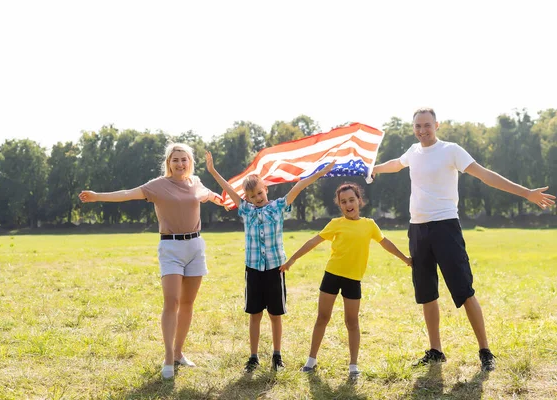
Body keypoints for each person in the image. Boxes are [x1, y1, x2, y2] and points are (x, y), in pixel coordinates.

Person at [372, 107, 555, 372]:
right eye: (417, 126)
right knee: (426, 293)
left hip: (445, 227)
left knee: (463, 290)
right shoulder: (413, 151)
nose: (422, 130)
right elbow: (397, 164)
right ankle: (436, 350)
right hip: (417, 229)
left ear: (437, 125)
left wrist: (525, 192)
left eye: (427, 125)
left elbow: (485, 175)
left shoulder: (451, 150)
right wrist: (376, 167)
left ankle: (485, 351)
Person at [79, 143, 225, 379]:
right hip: (171, 248)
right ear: (168, 163)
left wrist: (219, 199)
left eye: (184, 159)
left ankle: (179, 353)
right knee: (172, 301)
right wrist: (97, 197)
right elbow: (127, 194)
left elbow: (209, 195)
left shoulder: (196, 182)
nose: (180, 164)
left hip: (196, 247)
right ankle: (168, 357)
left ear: (190, 162)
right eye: (175, 160)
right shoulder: (157, 186)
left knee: (188, 303)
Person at [205, 151, 336, 373]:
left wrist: (321, 172)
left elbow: (299, 186)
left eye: (260, 193)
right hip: (254, 269)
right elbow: (228, 188)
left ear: (266, 189)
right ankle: (253, 357)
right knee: (255, 314)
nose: (258, 198)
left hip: (276, 268)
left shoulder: (277, 207)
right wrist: (212, 170)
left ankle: (277, 355)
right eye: (253, 196)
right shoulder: (245, 210)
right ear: (247, 198)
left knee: (275, 315)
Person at [279, 182, 412, 380]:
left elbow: (386, 244)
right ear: (339, 205)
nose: (348, 204)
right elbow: (313, 242)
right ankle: (311, 361)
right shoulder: (336, 224)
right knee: (322, 318)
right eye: (343, 202)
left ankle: (353, 366)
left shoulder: (369, 225)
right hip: (332, 275)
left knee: (352, 322)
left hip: (353, 280)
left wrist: (406, 259)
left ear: (359, 200)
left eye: (351, 199)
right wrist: (292, 260)